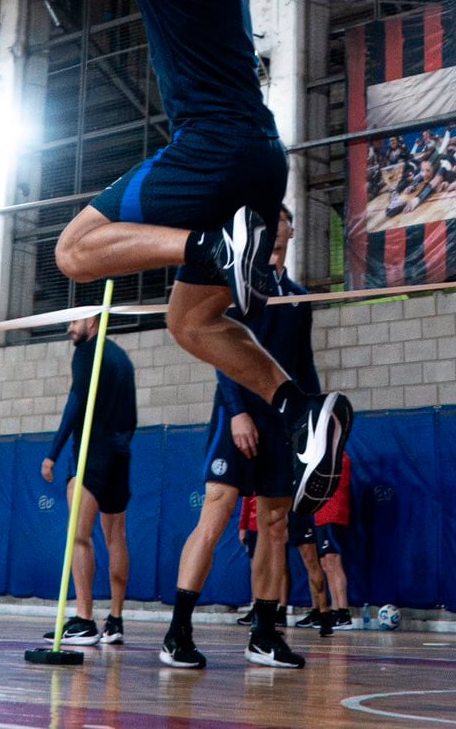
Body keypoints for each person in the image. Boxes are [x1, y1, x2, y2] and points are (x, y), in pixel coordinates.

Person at [40, 0, 351, 517]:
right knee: (193, 324)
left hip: (210, 149)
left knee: (75, 252)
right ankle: (303, 411)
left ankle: (214, 248)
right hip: (261, 157)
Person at [161, 205, 312, 670]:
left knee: (274, 525)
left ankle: (264, 634)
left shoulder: (299, 296)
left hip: (281, 423)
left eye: (281, 219)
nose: (275, 226)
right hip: (238, 416)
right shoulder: (236, 284)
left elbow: (302, 366)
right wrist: (238, 412)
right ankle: (177, 631)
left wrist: (311, 419)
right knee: (216, 513)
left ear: (289, 228)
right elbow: (217, 348)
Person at [41, 315, 136, 647]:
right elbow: (131, 414)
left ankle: (83, 620)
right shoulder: (122, 358)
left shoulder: (86, 352)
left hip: (92, 453)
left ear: (93, 321)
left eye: (75, 321)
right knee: (116, 538)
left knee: (79, 537)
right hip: (120, 453)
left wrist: (53, 452)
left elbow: (76, 402)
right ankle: (116, 620)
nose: (70, 327)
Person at [313, 454, 354, 630]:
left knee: (334, 561)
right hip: (321, 515)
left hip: (333, 513)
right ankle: (336, 610)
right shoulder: (322, 457)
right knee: (326, 563)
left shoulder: (339, 457)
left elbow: (328, 485)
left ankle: (343, 612)